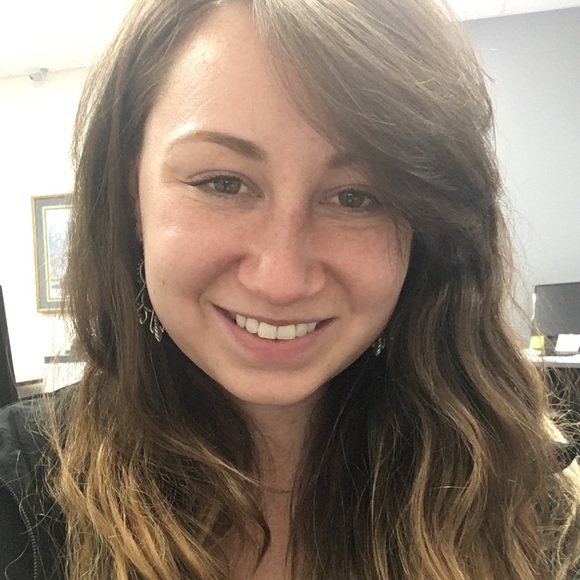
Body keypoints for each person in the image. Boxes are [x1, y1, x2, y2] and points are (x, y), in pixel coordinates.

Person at [1, 0, 579, 578]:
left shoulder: (532, 511)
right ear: (132, 196)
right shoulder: (15, 492)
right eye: (223, 183)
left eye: (355, 197)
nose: (280, 281)